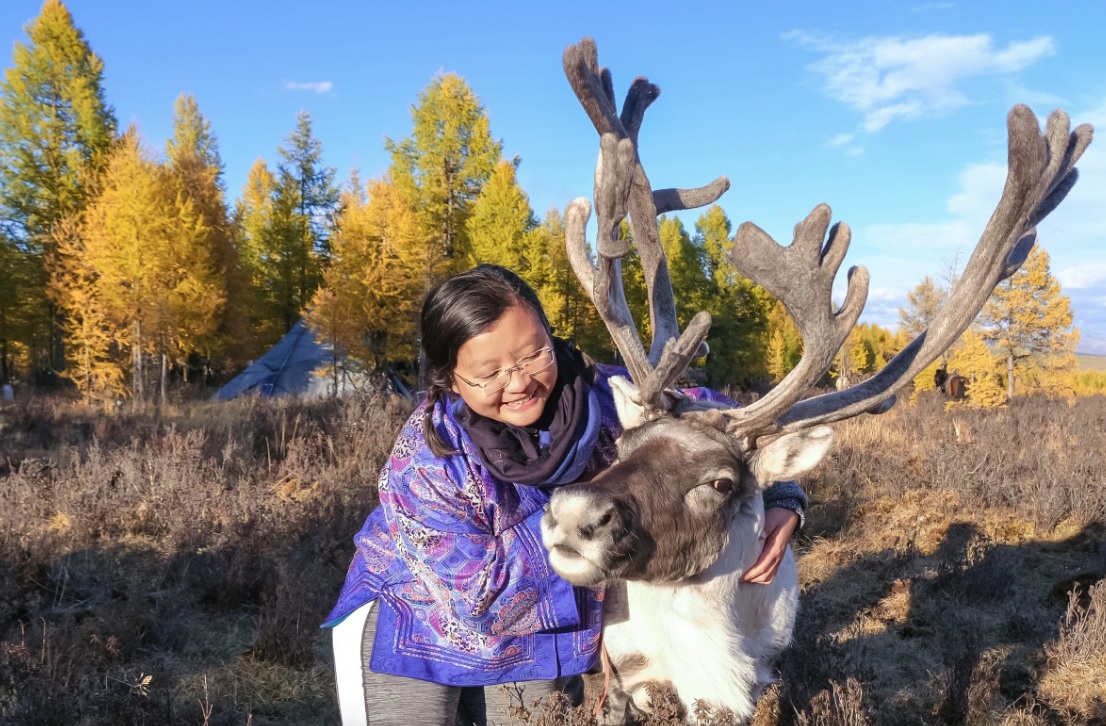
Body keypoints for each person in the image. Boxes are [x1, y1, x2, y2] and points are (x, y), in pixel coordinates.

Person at [324, 264, 808, 726]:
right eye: (488, 373)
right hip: (412, 629)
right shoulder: (427, 458)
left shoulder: (607, 396)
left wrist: (782, 492)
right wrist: (613, 540)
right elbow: (481, 599)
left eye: (533, 353)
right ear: (450, 377)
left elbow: (725, 426)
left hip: (535, 645)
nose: (518, 382)